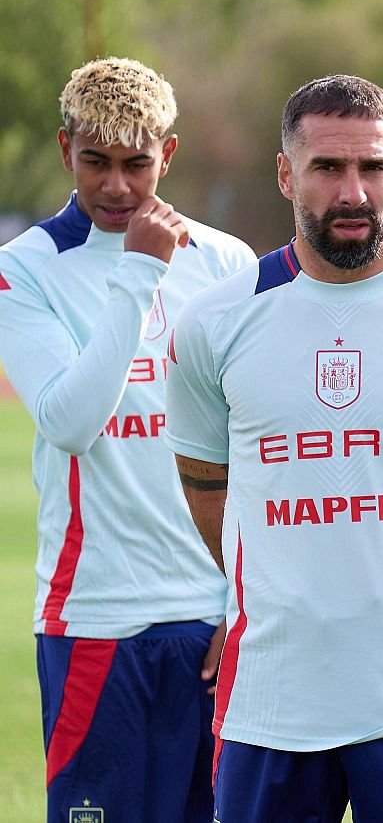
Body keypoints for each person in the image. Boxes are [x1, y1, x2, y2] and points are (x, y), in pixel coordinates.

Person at [163, 74, 383, 822]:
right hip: (269, 703)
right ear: (286, 173)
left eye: (374, 167)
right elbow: (207, 490)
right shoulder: (212, 326)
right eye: (328, 168)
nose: (353, 191)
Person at [0, 57, 255, 821]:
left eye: (136, 164)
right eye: (96, 163)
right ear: (64, 149)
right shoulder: (25, 270)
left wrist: (244, 605)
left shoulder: (227, 263)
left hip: (214, 626)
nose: (116, 187)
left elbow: (254, 450)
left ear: (167, 155)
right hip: (96, 617)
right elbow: (71, 422)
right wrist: (139, 275)